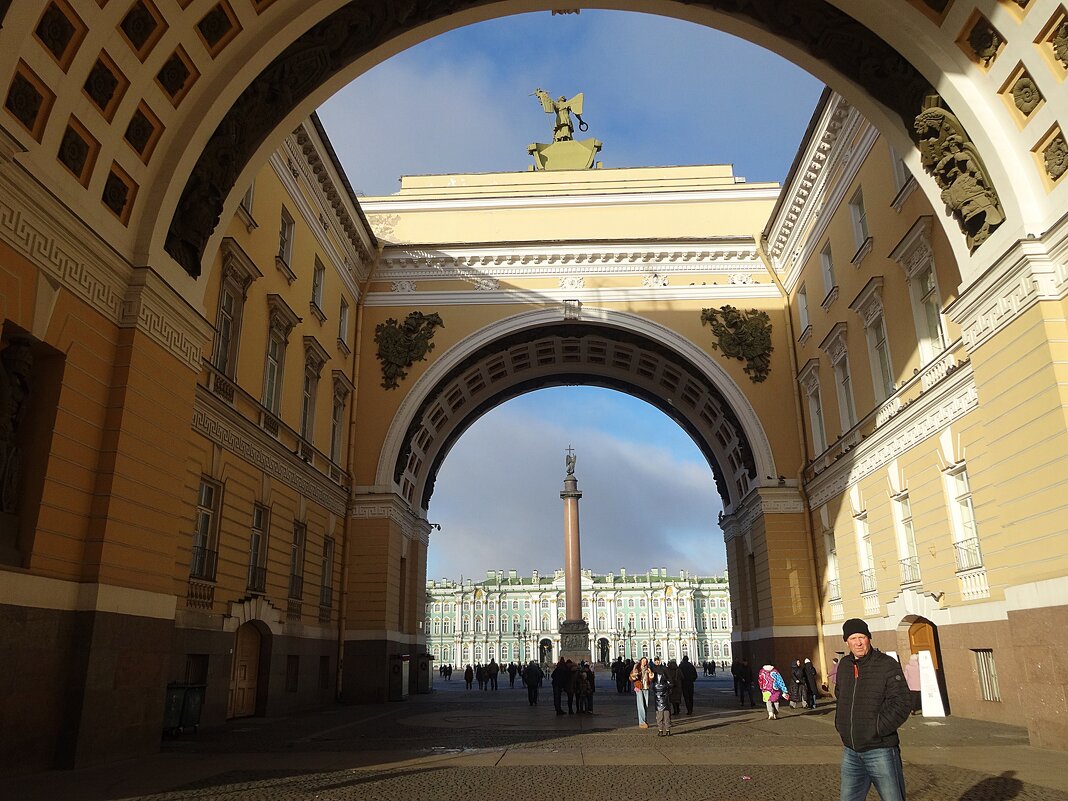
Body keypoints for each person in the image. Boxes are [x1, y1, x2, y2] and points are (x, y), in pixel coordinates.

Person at [835, 618, 913, 801]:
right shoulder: (844, 666)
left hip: (881, 750)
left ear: (869, 638)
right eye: (853, 638)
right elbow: (841, 697)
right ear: (846, 641)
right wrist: (841, 725)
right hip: (851, 750)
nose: (858, 642)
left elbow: (902, 702)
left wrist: (876, 729)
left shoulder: (886, 664)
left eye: (862, 637)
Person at [629, 656, 654, 728]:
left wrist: (650, 674)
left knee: (645, 705)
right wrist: (634, 675)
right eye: (643, 661)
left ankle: (644, 720)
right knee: (641, 705)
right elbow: (631, 677)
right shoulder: (636, 668)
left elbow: (651, 679)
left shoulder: (648, 669)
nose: (644, 662)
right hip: (639, 688)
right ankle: (642, 722)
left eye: (645, 661)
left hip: (646, 687)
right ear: (641, 661)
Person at [651, 656, 673, 736]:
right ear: (654, 661)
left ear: (660, 661)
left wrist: (668, 687)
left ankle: (667, 729)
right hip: (657, 694)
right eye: (655, 661)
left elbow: (670, 680)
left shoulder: (664, 669)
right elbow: (651, 680)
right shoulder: (652, 669)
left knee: (666, 712)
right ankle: (660, 729)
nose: (657, 662)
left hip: (664, 693)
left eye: (658, 660)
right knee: (659, 713)